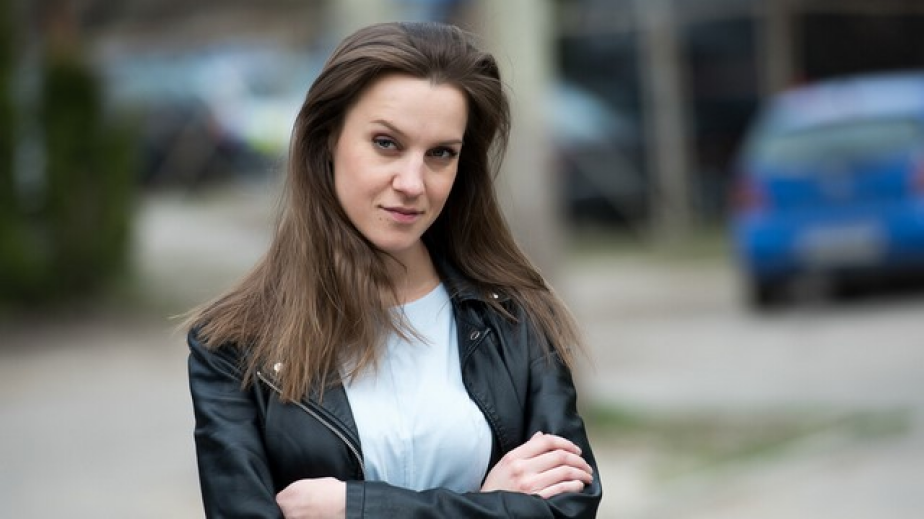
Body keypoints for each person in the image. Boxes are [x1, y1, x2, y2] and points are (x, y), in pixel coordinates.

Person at [186, 21, 602, 518]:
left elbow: (570, 508)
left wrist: (358, 508)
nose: (412, 183)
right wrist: (487, 505)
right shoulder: (234, 345)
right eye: (386, 143)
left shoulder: (513, 317)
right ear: (327, 139)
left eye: (440, 154)